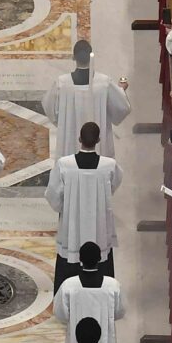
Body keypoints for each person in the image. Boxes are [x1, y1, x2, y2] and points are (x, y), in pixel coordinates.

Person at [49, 122, 123, 287]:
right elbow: (115, 184)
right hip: (99, 226)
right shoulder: (108, 165)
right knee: (100, 252)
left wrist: (66, 209)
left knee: (70, 258)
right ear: (98, 140)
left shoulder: (64, 164)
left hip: (72, 227)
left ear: (79, 139)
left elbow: (52, 194)